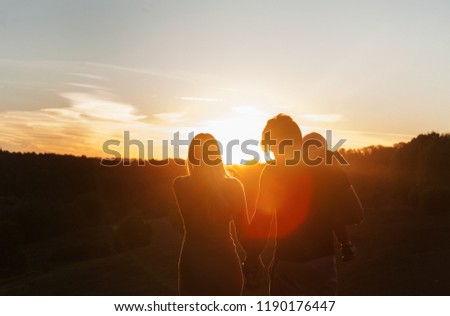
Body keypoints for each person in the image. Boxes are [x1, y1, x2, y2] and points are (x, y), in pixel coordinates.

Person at [243, 114, 363, 295]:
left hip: (288, 266)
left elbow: (262, 222)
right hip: (324, 264)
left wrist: (252, 258)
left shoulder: (272, 172)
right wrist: (332, 221)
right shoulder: (328, 167)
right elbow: (356, 213)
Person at [173, 133, 249, 295]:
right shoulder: (234, 186)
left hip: (193, 263)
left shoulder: (180, 185)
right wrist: (253, 257)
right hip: (226, 262)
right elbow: (244, 231)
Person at [302, 132, 358, 262]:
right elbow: (357, 214)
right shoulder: (334, 175)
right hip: (323, 256)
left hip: (288, 257)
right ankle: (346, 245)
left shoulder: (291, 176)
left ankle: (346, 245)